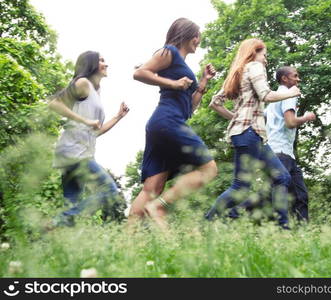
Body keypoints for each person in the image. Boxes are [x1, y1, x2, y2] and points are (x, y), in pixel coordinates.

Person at [128, 18, 217, 229]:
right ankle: (159, 207)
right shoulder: (168, 52)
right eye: (197, 36)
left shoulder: (182, 65)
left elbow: (190, 109)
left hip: (166, 122)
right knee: (209, 169)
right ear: (188, 35)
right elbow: (139, 73)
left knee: (152, 188)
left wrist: (203, 82)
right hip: (167, 120)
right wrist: (173, 83)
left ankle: (126, 245)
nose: (198, 40)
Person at [204, 38, 301, 229]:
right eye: (264, 54)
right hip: (249, 133)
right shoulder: (255, 66)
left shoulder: (238, 71)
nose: (265, 60)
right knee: (241, 186)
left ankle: (284, 228)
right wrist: (292, 92)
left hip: (251, 133)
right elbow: (266, 95)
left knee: (282, 177)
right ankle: (208, 221)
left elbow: (215, 102)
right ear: (255, 52)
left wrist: (237, 118)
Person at [48, 51, 129, 227]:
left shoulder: (95, 91)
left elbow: (95, 131)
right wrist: (84, 120)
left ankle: (47, 240)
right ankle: (57, 222)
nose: (106, 64)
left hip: (78, 151)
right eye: (101, 60)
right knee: (110, 191)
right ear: (91, 64)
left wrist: (118, 117)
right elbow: (54, 103)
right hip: (74, 151)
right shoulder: (83, 83)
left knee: (72, 205)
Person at [265, 66, 316, 222]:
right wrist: (306, 117)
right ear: (284, 79)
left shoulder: (274, 99)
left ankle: (301, 235)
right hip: (280, 153)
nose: (298, 79)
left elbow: (264, 118)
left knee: (300, 196)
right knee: (279, 195)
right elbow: (290, 122)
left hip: (282, 153)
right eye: (295, 76)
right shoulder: (289, 94)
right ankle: (237, 213)